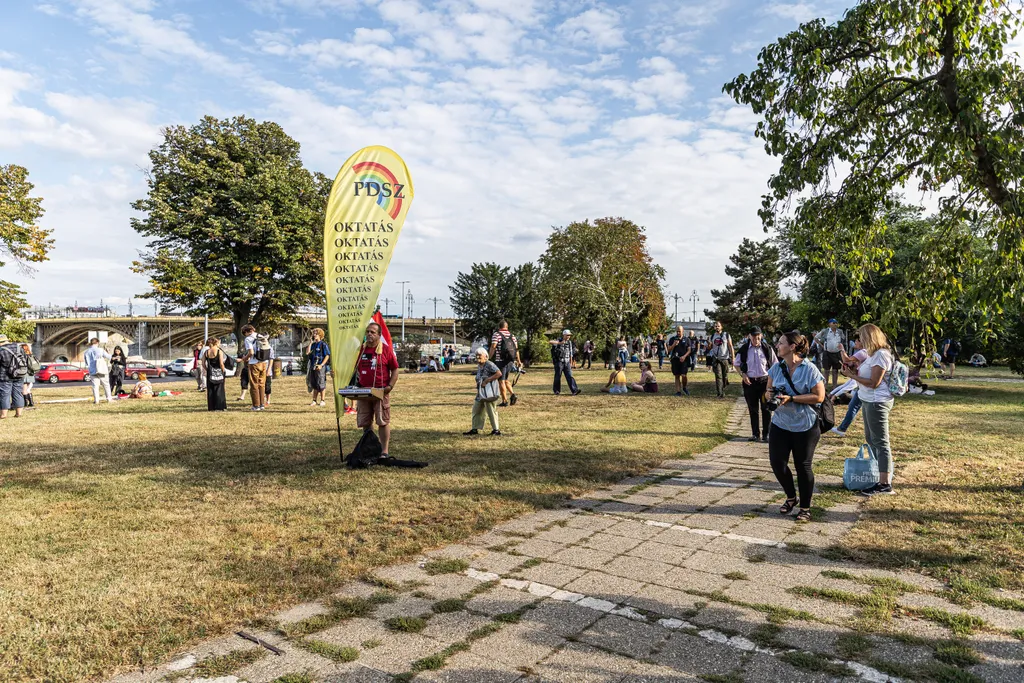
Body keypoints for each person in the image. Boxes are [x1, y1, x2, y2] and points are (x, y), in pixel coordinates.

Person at [765, 331, 826, 523]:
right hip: (780, 423)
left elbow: (819, 397)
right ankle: (791, 497)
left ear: (792, 347)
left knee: (803, 466)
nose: (777, 346)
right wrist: (771, 396)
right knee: (777, 463)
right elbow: (767, 392)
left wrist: (792, 398)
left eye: (781, 342)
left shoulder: (810, 369)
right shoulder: (776, 368)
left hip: (805, 424)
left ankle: (805, 509)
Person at [842, 324, 896, 496]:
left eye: (862, 337)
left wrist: (851, 376)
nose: (860, 341)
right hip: (868, 400)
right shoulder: (873, 355)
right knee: (871, 439)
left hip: (877, 402)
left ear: (870, 337)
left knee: (881, 441)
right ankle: (878, 475)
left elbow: (874, 383)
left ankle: (885, 484)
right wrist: (853, 371)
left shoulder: (881, 355)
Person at [355, 322, 400, 457]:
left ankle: (384, 451)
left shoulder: (385, 350)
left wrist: (390, 386)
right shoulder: (360, 350)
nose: (369, 334)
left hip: (381, 391)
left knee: (382, 421)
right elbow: (352, 369)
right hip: (363, 391)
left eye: (373, 332)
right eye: (367, 331)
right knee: (365, 421)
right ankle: (369, 448)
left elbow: (395, 368)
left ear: (379, 335)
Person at [735, 326, 777, 442]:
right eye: (753, 336)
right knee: (753, 409)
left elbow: (775, 364)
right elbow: (736, 363)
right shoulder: (744, 349)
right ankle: (755, 434)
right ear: (749, 336)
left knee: (766, 408)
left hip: (765, 382)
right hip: (750, 383)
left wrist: (771, 380)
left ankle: (766, 434)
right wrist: (743, 375)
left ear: (761, 336)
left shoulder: (767, 348)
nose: (755, 338)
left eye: (757, 336)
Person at [827, 339, 870, 436]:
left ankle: (843, 428)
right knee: (854, 406)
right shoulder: (866, 353)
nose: (855, 344)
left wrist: (842, 349)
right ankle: (842, 428)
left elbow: (846, 360)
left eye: (856, 342)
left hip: (863, 385)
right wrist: (831, 394)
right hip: (862, 385)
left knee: (857, 407)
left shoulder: (863, 352)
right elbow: (843, 386)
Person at [464, 347, 502, 436]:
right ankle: (475, 428)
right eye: (477, 356)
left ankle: (496, 430)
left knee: (491, 410)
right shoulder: (480, 365)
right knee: (476, 410)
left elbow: (499, 373)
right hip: (480, 393)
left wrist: (487, 380)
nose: (478, 358)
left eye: (479, 356)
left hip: (489, 392)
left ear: (486, 356)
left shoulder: (489, 364)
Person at [489, 321, 521, 407]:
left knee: (501, 381)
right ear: (507, 327)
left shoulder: (496, 335)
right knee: (506, 379)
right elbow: (516, 349)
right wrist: (518, 361)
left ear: (499, 327)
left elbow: (493, 346)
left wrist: (488, 357)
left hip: (500, 360)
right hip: (510, 361)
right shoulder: (512, 336)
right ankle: (513, 394)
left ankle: (504, 401)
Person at [0, 334, 28, 419]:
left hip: (5, 376)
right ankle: (18, 413)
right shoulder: (19, 347)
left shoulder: (1, 350)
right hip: (19, 374)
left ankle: (3, 415)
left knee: (4, 395)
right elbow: (25, 359)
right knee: (18, 393)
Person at [243, 326, 270, 411]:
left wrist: (245, 358)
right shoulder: (261, 336)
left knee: (254, 384)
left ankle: (256, 405)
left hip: (254, 363)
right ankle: (262, 404)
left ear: (246, 332)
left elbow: (251, 352)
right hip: (264, 362)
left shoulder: (248, 339)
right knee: (262, 384)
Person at [815, 319, 846, 388]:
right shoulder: (825, 331)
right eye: (834, 323)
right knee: (826, 370)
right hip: (827, 353)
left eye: (836, 323)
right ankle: (825, 386)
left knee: (835, 370)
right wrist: (822, 346)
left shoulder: (840, 331)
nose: (835, 324)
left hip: (837, 353)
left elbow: (843, 339)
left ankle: (834, 386)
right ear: (829, 324)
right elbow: (816, 338)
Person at [708, 321, 734, 398]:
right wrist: (709, 345)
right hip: (716, 359)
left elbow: (730, 346)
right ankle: (720, 393)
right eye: (715, 326)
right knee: (718, 376)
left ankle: (725, 383)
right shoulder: (712, 336)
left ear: (721, 327)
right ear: (714, 328)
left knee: (724, 375)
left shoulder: (726, 335)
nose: (717, 327)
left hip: (725, 358)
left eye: (718, 326)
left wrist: (733, 357)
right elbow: (710, 347)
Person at [550, 329, 580, 396]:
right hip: (559, 362)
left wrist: (571, 362)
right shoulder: (559, 340)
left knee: (570, 376)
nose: (569, 336)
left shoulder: (569, 343)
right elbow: (550, 342)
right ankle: (556, 391)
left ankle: (574, 390)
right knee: (558, 376)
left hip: (567, 362)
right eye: (567, 335)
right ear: (564, 335)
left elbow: (570, 353)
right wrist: (560, 343)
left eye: (569, 335)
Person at [84, 337, 113, 405]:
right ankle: (109, 399)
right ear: (97, 343)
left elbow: (87, 363)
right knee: (106, 384)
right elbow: (108, 357)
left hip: (92, 370)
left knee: (95, 386)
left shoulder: (86, 352)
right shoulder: (100, 350)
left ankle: (96, 400)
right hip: (101, 369)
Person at [307, 328, 331, 407]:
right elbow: (307, 353)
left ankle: (322, 400)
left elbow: (327, 355)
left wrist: (322, 365)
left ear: (320, 335)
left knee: (321, 383)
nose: (314, 335)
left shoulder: (323, 344)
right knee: (314, 384)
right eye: (313, 333)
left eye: (316, 333)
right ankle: (314, 400)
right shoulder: (313, 345)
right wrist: (310, 343)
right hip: (313, 365)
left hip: (320, 366)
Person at [203, 337, 228, 411]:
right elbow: (221, 363)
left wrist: (207, 369)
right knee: (219, 389)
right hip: (219, 372)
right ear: (216, 343)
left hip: (210, 372)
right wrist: (223, 371)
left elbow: (203, 363)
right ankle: (220, 406)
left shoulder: (206, 352)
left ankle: (211, 407)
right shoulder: (219, 351)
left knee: (210, 390)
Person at [667, 325, 692, 397]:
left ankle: (684, 387)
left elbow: (689, 350)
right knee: (677, 375)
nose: (678, 333)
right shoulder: (672, 339)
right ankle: (678, 391)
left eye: (679, 331)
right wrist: (674, 344)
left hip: (684, 360)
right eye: (677, 331)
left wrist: (684, 356)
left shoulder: (687, 339)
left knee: (684, 375)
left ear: (682, 331)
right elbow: (669, 349)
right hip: (675, 359)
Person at [20, 343, 39, 409]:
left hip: (25, 374)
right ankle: (31, 402)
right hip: (31, 374)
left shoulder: (23, 356)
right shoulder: (31, 355)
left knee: (24, 390)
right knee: (28, 389)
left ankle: (25, 404)